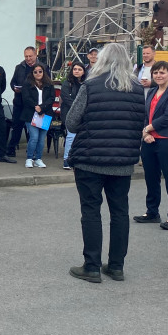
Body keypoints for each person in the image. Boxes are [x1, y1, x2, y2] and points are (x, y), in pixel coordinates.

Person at [66, 43, 147, 283]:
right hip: (122, 161)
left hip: (90, 159)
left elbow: (71, 122)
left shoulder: (91, 86)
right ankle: (116, 266)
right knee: (120, 212)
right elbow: (138, 123)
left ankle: (91, 266)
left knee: (91, 211)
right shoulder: (135, 89)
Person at [135, 61, 168, 228]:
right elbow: (146, 114)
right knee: (151, 178)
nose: (158, 76)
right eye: (155, 73)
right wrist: (145, 133)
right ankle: (152, 212)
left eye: (162, 73)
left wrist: (147, 129)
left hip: (166, 140)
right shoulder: (152, 91)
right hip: (149, 140)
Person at [7, 47, 40, 156]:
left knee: (34, 128)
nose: (28, 58)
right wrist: (14, 88)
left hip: (34, 104)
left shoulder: (42, 67)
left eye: (30, 56)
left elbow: (47, 83)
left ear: (35, 55)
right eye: (26, 56)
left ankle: (32, 151)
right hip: (19, 102)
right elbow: (13, 82)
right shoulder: (19, 67)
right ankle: (11, 149)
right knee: (17, 126)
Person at [21, 64, 55, 169]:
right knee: (34, 137)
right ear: (32, 73)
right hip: (31, 114)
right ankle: (29, 158)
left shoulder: (49, 84)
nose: (38, 74)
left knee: (41, 139)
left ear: (43, 72)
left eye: (40, 71)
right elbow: (26, 98)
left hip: (45, 114)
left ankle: (38, 159)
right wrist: (36, 107)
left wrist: (42, 107)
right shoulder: (27, 84)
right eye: (35, 72)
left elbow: (51, 98)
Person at [59, 62, 85, 170]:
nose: (77, 71)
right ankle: (67, 159)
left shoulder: (86, 83)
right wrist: (77, 107)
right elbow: (66, 98)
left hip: (83, 113)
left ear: (83, 71)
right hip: (69, 113)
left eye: (79, 69)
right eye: (75, 69)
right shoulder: (67, 83)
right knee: (71, 136)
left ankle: (79, 158)